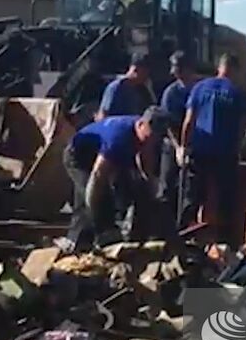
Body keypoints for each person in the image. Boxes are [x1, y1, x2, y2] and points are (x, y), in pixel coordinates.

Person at [63, 107, 169, 250]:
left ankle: (129, 233)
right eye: (149, 137)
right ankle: (81, 242)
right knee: (92, 198)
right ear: (142, 124)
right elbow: (98, 175)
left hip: (105, 155)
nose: (152, 140)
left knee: (131, 187)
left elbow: (145, 156)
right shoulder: (118, 138)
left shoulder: (145, 134)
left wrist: (149, 184)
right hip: (79, 156)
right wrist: (96, 207)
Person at [178, 53, 245, 241]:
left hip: (200, 151)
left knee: (194, 197)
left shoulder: (200, 88)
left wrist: (183, 146)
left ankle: (187, 239)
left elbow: (188, 121)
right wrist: (239, 150)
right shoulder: (236, 93)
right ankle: (219, 241)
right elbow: (241, 128)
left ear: (219, 67)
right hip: (225, 154)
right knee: (221, 197)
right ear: (234, 70)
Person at [157, 50, 199, 216]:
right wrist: (178, 148)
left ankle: (187, 223)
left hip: (195, 145)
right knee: (167, 185)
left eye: (177, 68)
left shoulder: (199, 89)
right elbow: (167, 123)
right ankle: (163, 225)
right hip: (172, 143)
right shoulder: (171, 93)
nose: (174, 72)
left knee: (191, 187)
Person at [97, 53, 152, 119]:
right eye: (144, 72)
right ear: (135, 70)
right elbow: (102, 115)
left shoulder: (140, 90)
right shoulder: (115, 88)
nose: (146, 77)